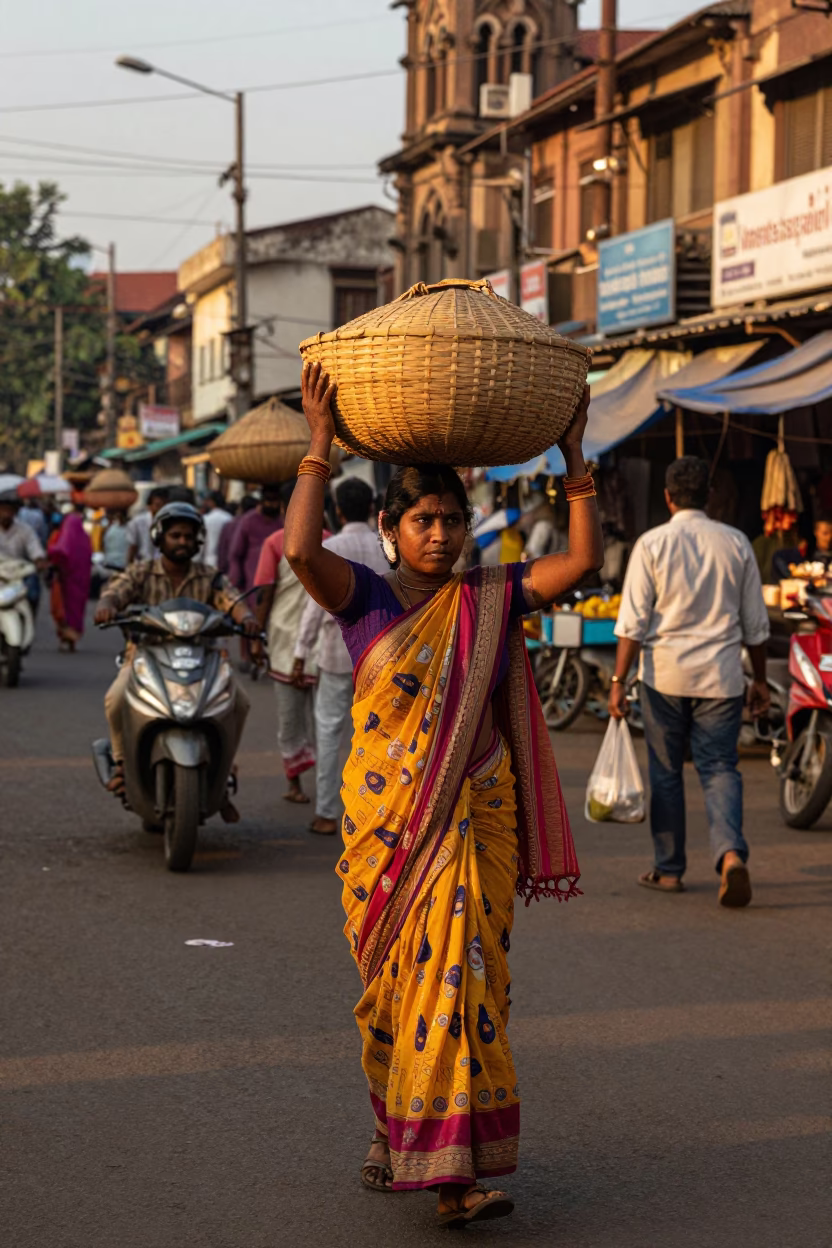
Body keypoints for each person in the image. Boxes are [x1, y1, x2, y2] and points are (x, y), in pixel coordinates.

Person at [283, 361, 602, 1227]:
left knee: (467, 986)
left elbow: (580, 559)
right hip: (390, 834)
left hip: (479, 821)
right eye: (424, 520)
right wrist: (319, 447)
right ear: (388, 527)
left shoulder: (490, 599)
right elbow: (301, 550)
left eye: (455, 520)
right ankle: (401, 1130)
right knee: (397, 993)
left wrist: (574, 452)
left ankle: (454, 1173)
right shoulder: (369, 603)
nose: (442, 534)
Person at [609, 456, 771, 909]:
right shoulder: (736, 543)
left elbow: (633, 624)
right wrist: (759, 679)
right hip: (721, 676)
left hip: (666, 676)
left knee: (666, 773)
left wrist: (619, 680)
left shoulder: (652, 544)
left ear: (667, 496)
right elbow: (756, 625)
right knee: (719, 769)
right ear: (710, 496)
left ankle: (668, 869)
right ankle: (731, 855)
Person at [95, 502, 262, 798]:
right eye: (176, 535)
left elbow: (232, 601)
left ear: (198, 540)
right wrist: (107, 606)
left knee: (241, 703)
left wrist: (246, 619)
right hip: (147, 656)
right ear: (160, 537)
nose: (183, 542)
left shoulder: (209, 576)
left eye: (188, 536)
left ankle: (224, 768)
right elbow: (115, 592)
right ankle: (122, 764)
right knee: (115, 698)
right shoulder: (141, 572)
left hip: (203, 657)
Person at [292, 477, 388, 832]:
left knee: (330, 732)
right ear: (370, 509)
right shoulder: (386, 548)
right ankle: (374, 812)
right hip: (381, 654)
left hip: (335, 654)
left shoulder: (330, 548)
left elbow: (315, 604)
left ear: (338, 510)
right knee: (377, 734)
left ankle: (329, 813)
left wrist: (301, 651)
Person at [253, 482, 330, 804]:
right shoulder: (328, 541)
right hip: (322, 640)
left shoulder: (275, 542)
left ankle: (297, 784)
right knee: (324, 719)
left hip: (288, 640)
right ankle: (323, 788)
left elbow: (264, 593)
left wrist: (256, 637)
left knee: (291, 718)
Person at [230, 485, 286, 672]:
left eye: (275, 500)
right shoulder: (247, 521)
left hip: (278, 579)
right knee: (248, 619)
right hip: (251, 580)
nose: (271, 504)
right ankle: (247, 657)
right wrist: (235, 580)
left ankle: (269, 657)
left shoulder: (282, 521)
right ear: (261, 501)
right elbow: (236, 554)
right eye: (268, 500)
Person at [47, 508, 92, 651]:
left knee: (62, 609)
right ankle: (72, 639)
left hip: (64, 580)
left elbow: (58, 552)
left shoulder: (62, 538)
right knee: (76, 611)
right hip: (81, 582)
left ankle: (64, 638)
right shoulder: (85, 539)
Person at [126, 487, 169, 564]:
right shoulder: (137, 522)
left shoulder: (169, 523)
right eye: (158, 505)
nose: (161, 509)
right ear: (149, 506)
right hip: (142, 564)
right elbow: (133, 547)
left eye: (164, 506)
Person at [216, 494, 256, 576]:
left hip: (232, 573)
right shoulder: (257, 524)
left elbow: (223, 549)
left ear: (240, 508)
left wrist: (221, 569)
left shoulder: (231, 524)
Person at [201, 490, 233, 568]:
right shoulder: (229, 518)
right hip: (226, 561)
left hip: (208, 560)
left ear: (212, 502)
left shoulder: (206, 519)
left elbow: (202, 542)